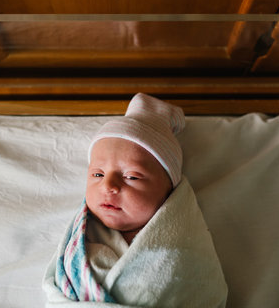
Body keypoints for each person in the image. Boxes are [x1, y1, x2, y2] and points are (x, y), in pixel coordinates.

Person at [43, 93, 228, 307]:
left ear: (169, 190)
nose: (108, 186)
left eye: (131, 176)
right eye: (97, 174)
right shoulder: (80, 242)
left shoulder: (185, 251)